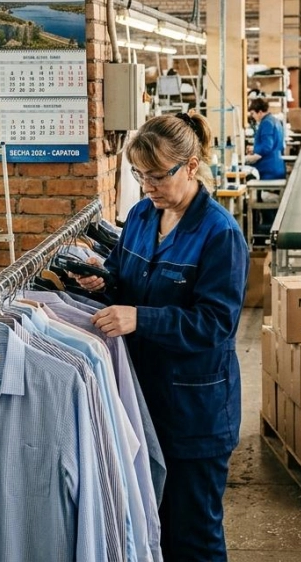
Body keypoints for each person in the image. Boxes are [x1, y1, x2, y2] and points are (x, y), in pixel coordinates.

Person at [75, 111, 248, 561]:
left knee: (194, 535)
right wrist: (104, 284)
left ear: (191, 167)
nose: (147, 186)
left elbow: (215, 324)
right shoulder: (141, 215)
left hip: (195, 412)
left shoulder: (220, 234)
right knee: (153, 526)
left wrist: (141, 319)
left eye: (157, 176)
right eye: (140, 175)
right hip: (143, 399)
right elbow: (124, 276)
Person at [245, 97, 285, 180]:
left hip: (268, 168)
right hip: (277, 164)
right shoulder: (275, 120)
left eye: (252, 114)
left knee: (246, 173)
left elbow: (266, 147)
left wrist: (247, 158)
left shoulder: (266, 123)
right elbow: (272, 144)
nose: (252, 117)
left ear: (259, 112)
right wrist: (255, 148)